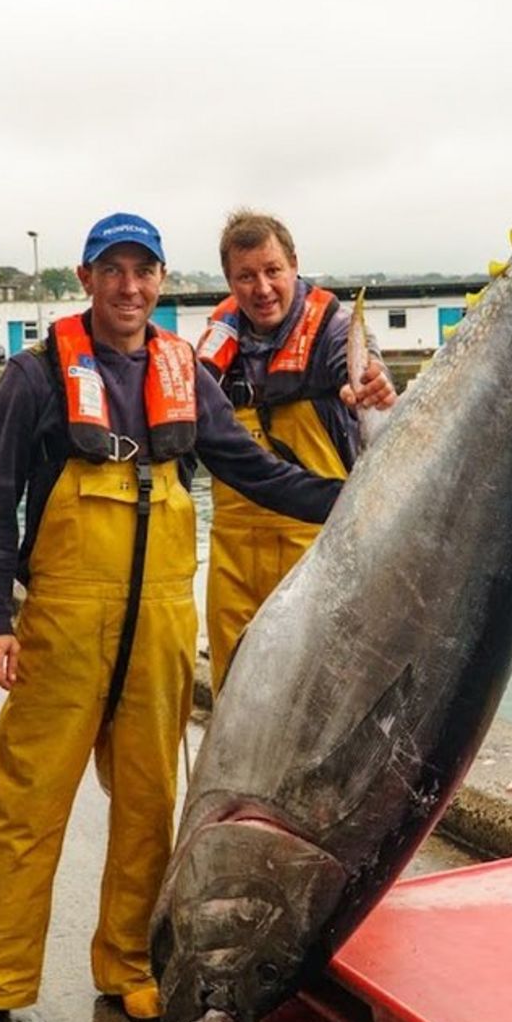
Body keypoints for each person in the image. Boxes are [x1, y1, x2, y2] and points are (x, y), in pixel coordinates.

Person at [0, 211, 342, 1022]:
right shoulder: (36, 374)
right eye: (111, 270)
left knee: (151, 807)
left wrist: (352, 502)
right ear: (85, 279)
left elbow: (255, 472)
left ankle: (128, 966)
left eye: (142, 271)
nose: (128, 286)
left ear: (160, 281)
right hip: (63, 627)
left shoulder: (184, 369)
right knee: (25, 805)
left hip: (158, 624)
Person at [198, 210, 396, 691]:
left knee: (318, 692)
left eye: (272, 271)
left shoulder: (333, 330)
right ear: (229, 281)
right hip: (232, 559)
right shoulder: (216, 342)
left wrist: (372, 384)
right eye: (245, 277)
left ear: (294, 265)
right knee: (235, 690)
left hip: (317, 550)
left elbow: (365, 367)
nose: (262, 288)